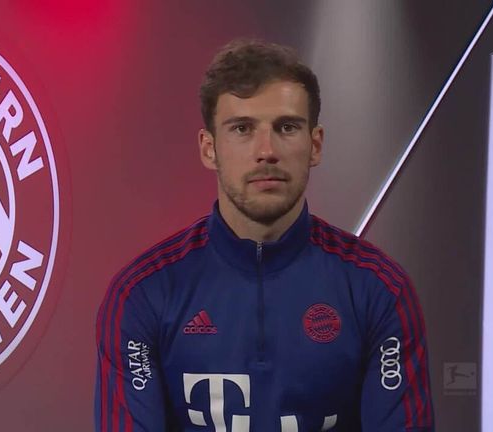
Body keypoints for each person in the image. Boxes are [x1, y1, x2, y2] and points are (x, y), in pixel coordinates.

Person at [95, 39, 433, 432]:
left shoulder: (378, 289)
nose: (266, 151)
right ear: (209, 149)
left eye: (286, 127)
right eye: (242, 129)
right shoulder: (142, 294)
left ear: (315, 145)